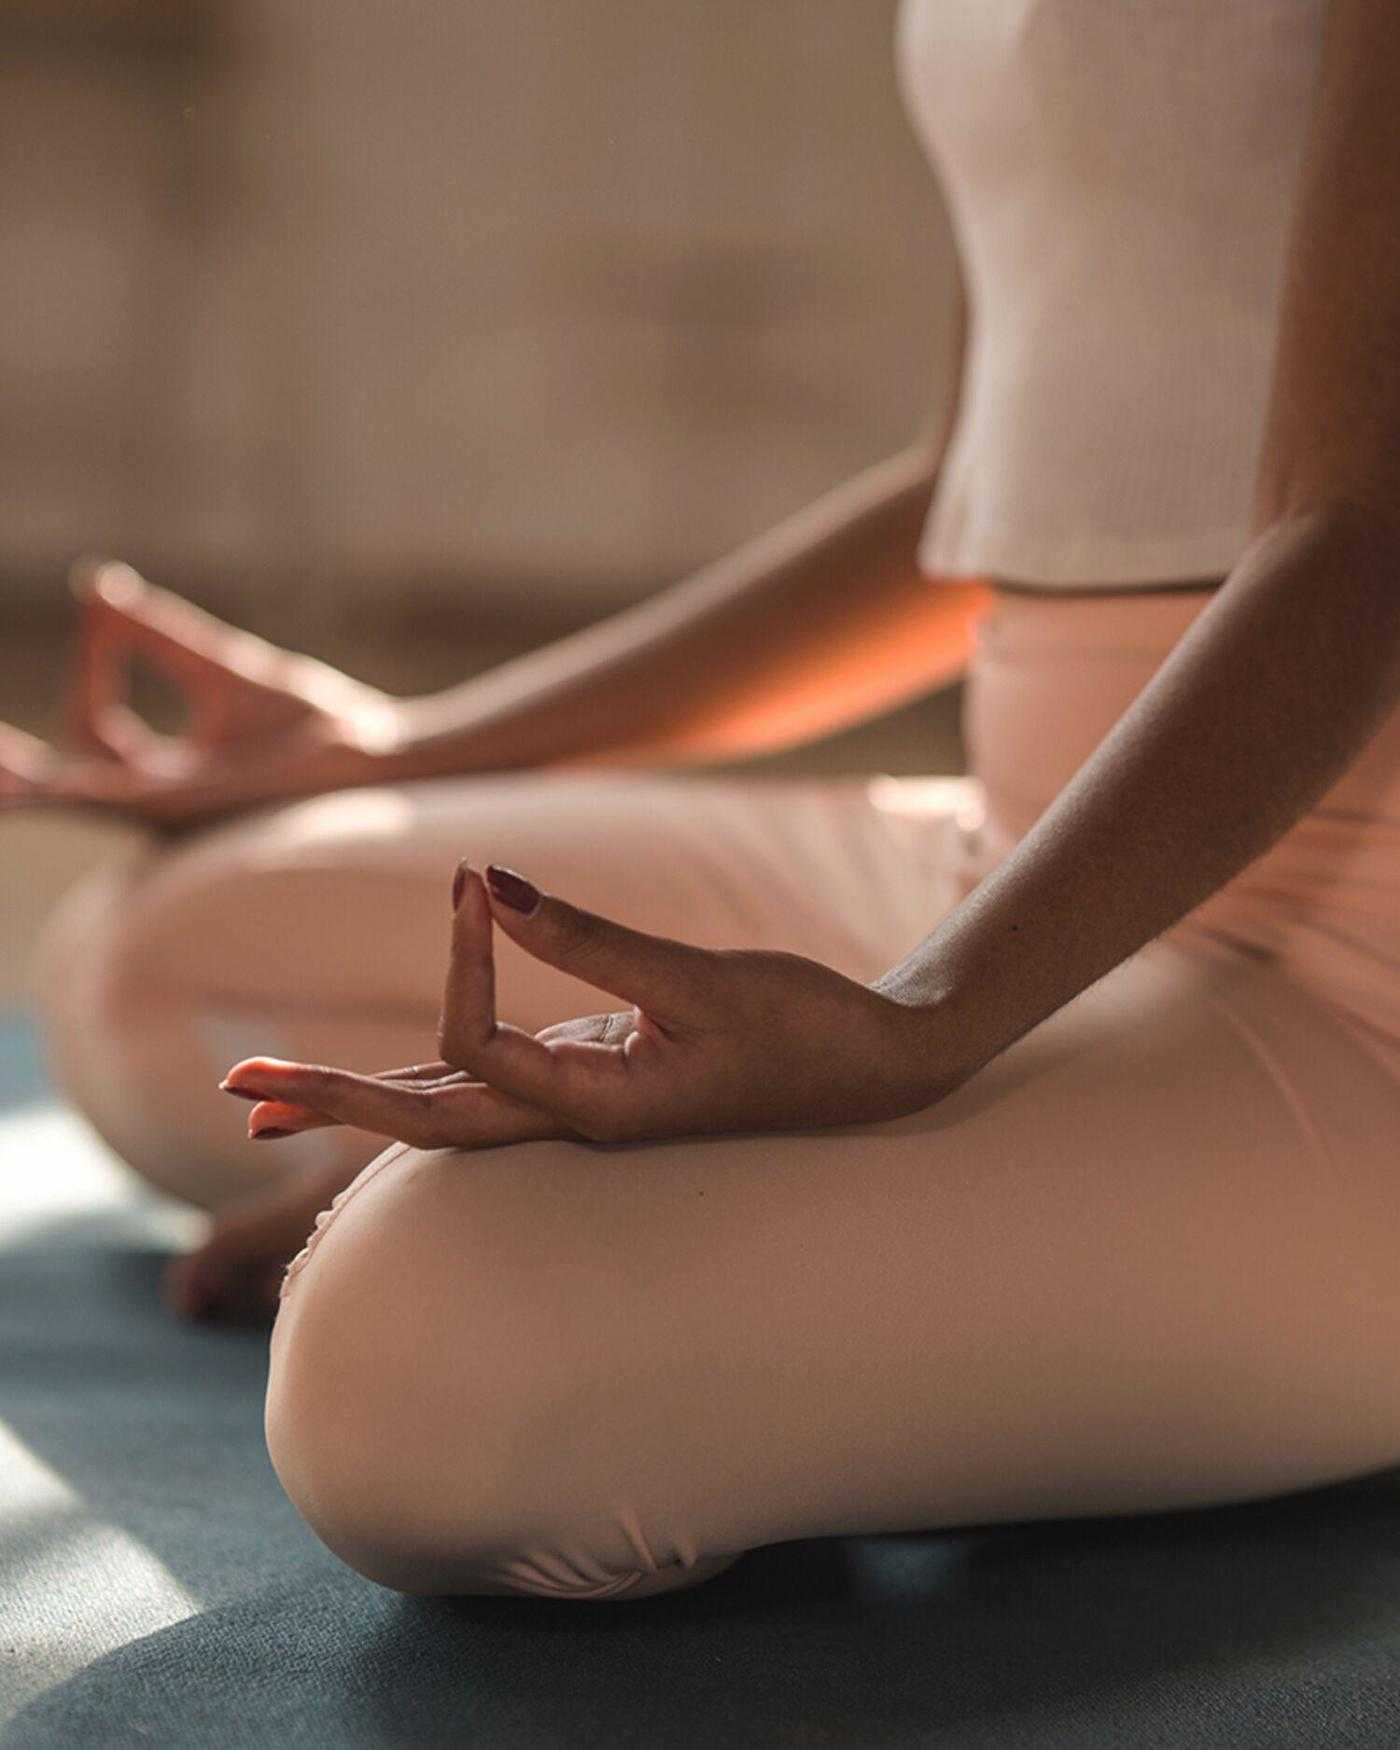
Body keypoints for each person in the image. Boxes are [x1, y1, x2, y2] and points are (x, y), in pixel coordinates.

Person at [3, 0, 1399, 1603]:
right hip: (1020, 837)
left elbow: (1357, 539)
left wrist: (920, 1023)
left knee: (408, 1378)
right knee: (152, 966)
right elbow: (966, 487)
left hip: (1352, 978)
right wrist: (395, 749)